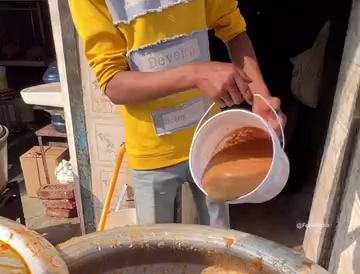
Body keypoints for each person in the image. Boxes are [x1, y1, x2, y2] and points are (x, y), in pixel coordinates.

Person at [69, 0, 284, 228]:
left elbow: (234, 31)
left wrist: (261, 95)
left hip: (212, 143)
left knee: (221, 245)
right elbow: (113, 83)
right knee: (158, 252)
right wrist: (195, 74)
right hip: (151, 151)